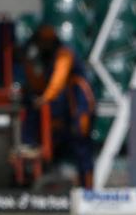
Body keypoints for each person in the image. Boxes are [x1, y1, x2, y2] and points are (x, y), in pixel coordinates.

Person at [20, 24, 95, 188]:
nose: (39, 47)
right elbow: (40, 85)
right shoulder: (49, 58)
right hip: (68, 107)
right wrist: (27, 64)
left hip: (80, 105)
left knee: (82, 149)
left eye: (41, 43)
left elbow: (58, 81)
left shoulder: (64, 54)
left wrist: (45, 98)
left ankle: (89, 192)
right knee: (61, 146)